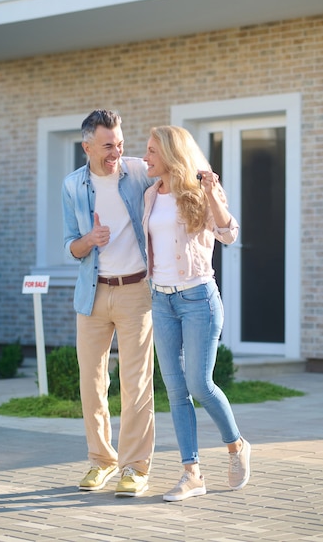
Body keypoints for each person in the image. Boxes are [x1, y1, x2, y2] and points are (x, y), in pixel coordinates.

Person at [142, 125, 251, 502]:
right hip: (162, 301)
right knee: (175, 389)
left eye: (152, 151)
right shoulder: (150, 195)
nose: (146, 158)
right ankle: (192, 474)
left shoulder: (200, 193)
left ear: (172, 154)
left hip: (198, 299)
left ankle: (236, 445)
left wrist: (211, 193)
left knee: (199, 384)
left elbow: (228, 233)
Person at [62, 109, 154, 498]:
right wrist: (90, 240)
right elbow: (70, 244)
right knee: (92, 383)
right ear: (87, 147)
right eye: (107, 146)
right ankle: (102, 461)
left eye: (119, 143)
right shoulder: (72, 186)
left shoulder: (138, 172)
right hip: (93, 292)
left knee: (137, 384)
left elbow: (179, 175)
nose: (116, 151)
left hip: (136, 292)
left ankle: (135, 468)